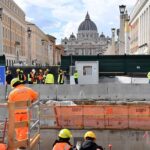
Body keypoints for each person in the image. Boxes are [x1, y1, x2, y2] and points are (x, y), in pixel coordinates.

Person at [8, 78, 38, 142]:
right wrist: (31, 101)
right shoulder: (29, 90)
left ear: (13, 85)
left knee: (18, 128)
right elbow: (36, 96)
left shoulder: (12, 93)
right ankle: (23, 141)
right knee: (25, 128)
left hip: (16, 114)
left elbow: (10, 103)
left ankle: (21, 142)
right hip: (26, 112)